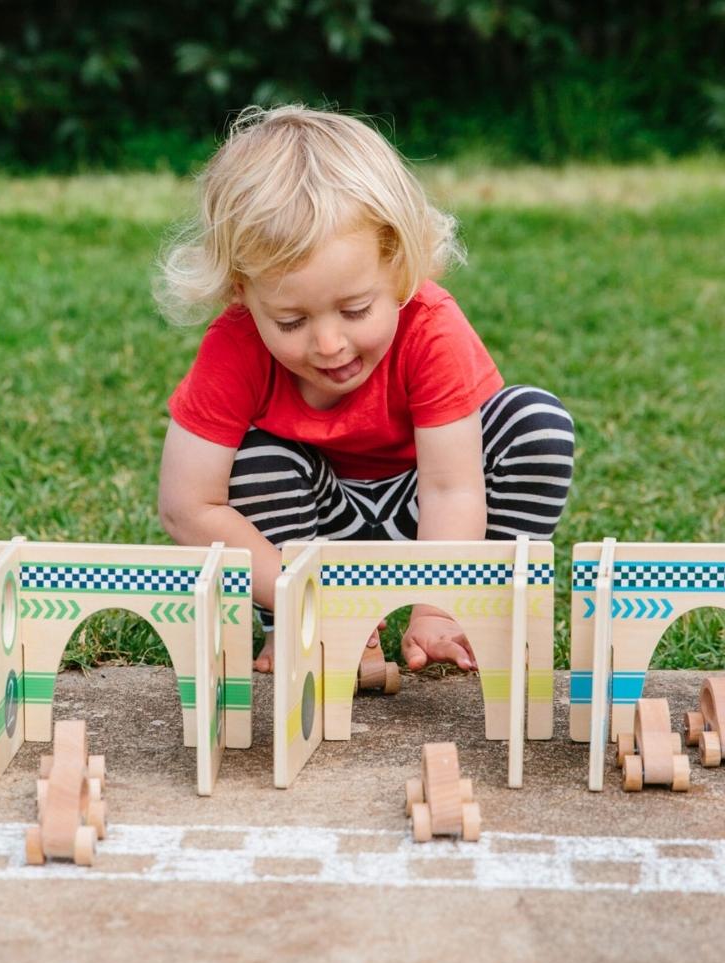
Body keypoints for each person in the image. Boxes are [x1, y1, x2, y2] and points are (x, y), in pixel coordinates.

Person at [155, 104, 573, 675]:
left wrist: (437, 606)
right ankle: (301, 629)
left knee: (535, 423)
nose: (328, 344)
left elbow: (451, 488)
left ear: (399, 264)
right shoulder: (234, 345)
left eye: (355, 309)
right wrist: (300, 594)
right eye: (291, 322)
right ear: (240, 290)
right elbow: (187, 506)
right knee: (253, 460)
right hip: (313, 532)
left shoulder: (431, 325)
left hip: (423, 508)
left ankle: (479, 609)